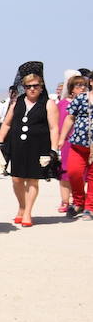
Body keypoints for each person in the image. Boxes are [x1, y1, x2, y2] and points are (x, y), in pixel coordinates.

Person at [0, 62, 60, 226]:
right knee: (16, 179)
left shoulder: (48, 103)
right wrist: (1, 142)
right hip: (17, 146)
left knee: (32, 180)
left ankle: (28, 213)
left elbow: (54, 128)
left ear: (41, 86)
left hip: (38, 147)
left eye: (35, 86)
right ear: (24, 86)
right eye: (28, 86)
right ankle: (22, 206)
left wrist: (53, 150)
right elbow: (7, 123)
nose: (32, 89)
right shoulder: (17, 102)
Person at [54, 74, 91, 219]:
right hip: (77, 143)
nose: (81, 88)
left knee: (91, 176)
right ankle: (78, 201)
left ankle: (88, 207)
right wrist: (62, 138)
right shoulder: (81, 99)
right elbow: (70, 118)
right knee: (73, 172)